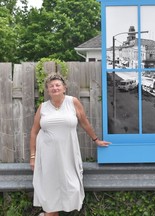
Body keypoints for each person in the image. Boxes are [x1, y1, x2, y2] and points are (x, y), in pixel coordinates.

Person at [30, 72, 111, 216]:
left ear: (64, 88)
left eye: (57, 85)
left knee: (71, 185)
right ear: (48, 90)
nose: (55, 88)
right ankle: (50, 213)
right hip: (47, 154)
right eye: (51, 86)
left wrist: (96, 139)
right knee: (50, 187)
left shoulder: (72, 102)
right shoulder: (43, 107)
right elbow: (34, 132)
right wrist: (33, 156)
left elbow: (84, 123)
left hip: (68, 153)